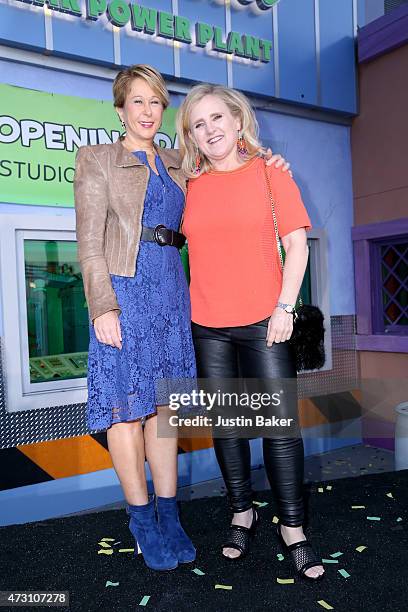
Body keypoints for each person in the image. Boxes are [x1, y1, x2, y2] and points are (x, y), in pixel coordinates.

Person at [74, 65, 289, 572]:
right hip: (123, 294)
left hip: (172, 295)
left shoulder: (180, 162)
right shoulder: (97, 159)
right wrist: (101, 306)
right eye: (137, 102)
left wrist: (266, 158)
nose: (147, 111)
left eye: (155, 103)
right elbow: (88, 244)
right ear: (120, 108)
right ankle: (142, 518)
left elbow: (231, 169)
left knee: (163, 413)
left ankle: (169, 515)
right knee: (128, 413)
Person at [176, 83, 325, 581]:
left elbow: (297, 247)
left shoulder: (270, 173)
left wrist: (286, 307)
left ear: (238, 121)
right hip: (208, 325)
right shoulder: (189, 183)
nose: (210, 129)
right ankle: (243, 512)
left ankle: (294, 528)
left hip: (267, 321)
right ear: (192, 136)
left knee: (280, 430)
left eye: (217, 117)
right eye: (199, 124)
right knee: (229, 427)